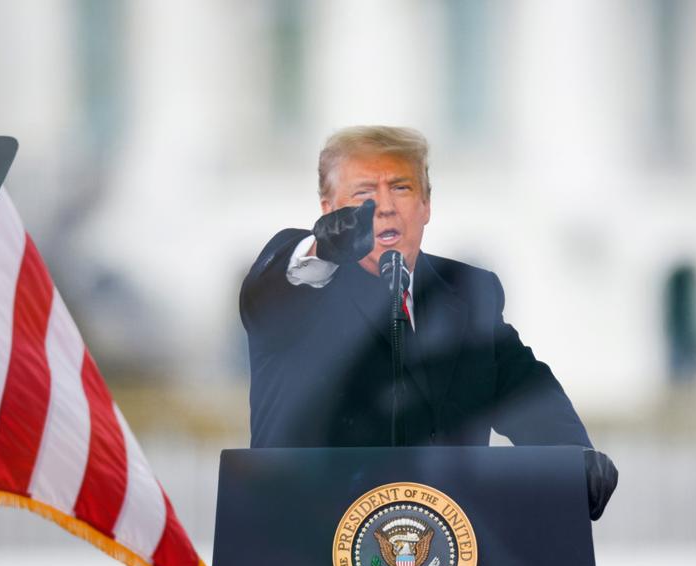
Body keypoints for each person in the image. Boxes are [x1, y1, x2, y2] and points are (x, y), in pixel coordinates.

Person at [240, 126, 617, 520]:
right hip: (302, 551)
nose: (384, 207)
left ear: (426, 205)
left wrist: (573, 459)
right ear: (328, 208)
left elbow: (526, 394)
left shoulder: (470, 294)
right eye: (364, 194)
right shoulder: (302, 279)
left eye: (400, 188)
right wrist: (323, 249)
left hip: (444, 559)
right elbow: (277, 287)